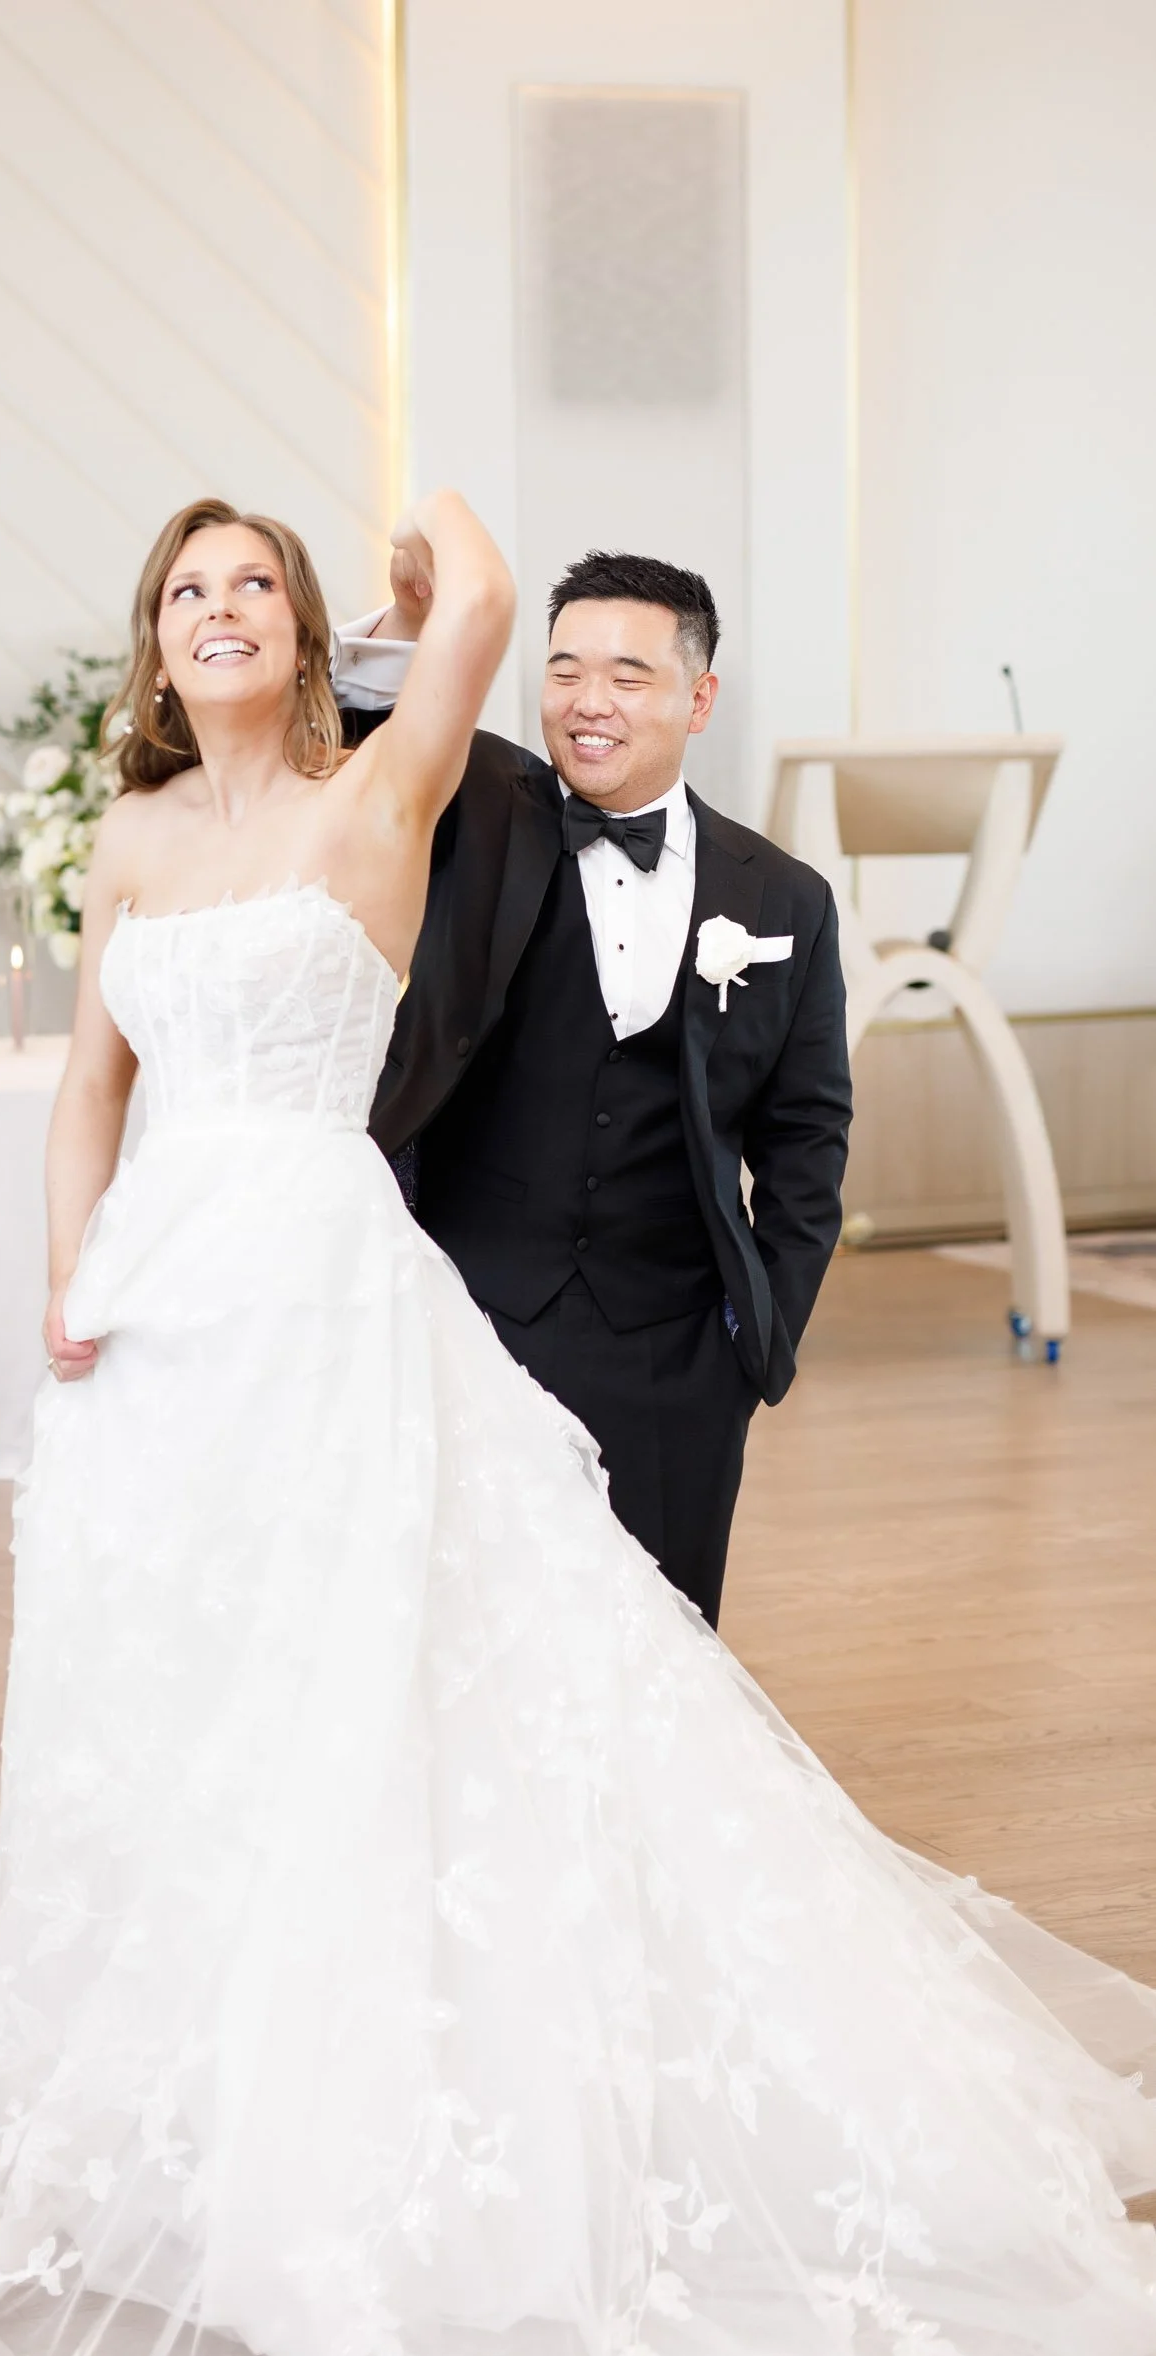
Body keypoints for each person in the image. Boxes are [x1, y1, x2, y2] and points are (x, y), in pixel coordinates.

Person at [0, 493, 1156, 2356]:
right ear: (151, 639)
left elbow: (470, 590)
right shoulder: (125, 838)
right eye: (183, 591)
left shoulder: (385, 789)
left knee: (360, 1700)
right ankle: (184, 2131)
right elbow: (94, 1084)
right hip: (154, 1323)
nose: (216, 613)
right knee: (167, 1714)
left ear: (301, 636)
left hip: (314, 1288)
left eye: (248, 588)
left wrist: (400, 570)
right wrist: (66, 1269)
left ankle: (370, 2151)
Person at [333, 549, 851, 1627]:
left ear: (698, 699)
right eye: (564, 671)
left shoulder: (785, 899)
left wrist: (752, 1341)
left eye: (627, 675)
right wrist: (416, 603)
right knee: (468, 1641)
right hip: (471, 1322)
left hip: (676, 1355)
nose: (587, 704)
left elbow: (806, 1140)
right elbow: (360, 716)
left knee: (662, 1657)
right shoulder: (475, 808)